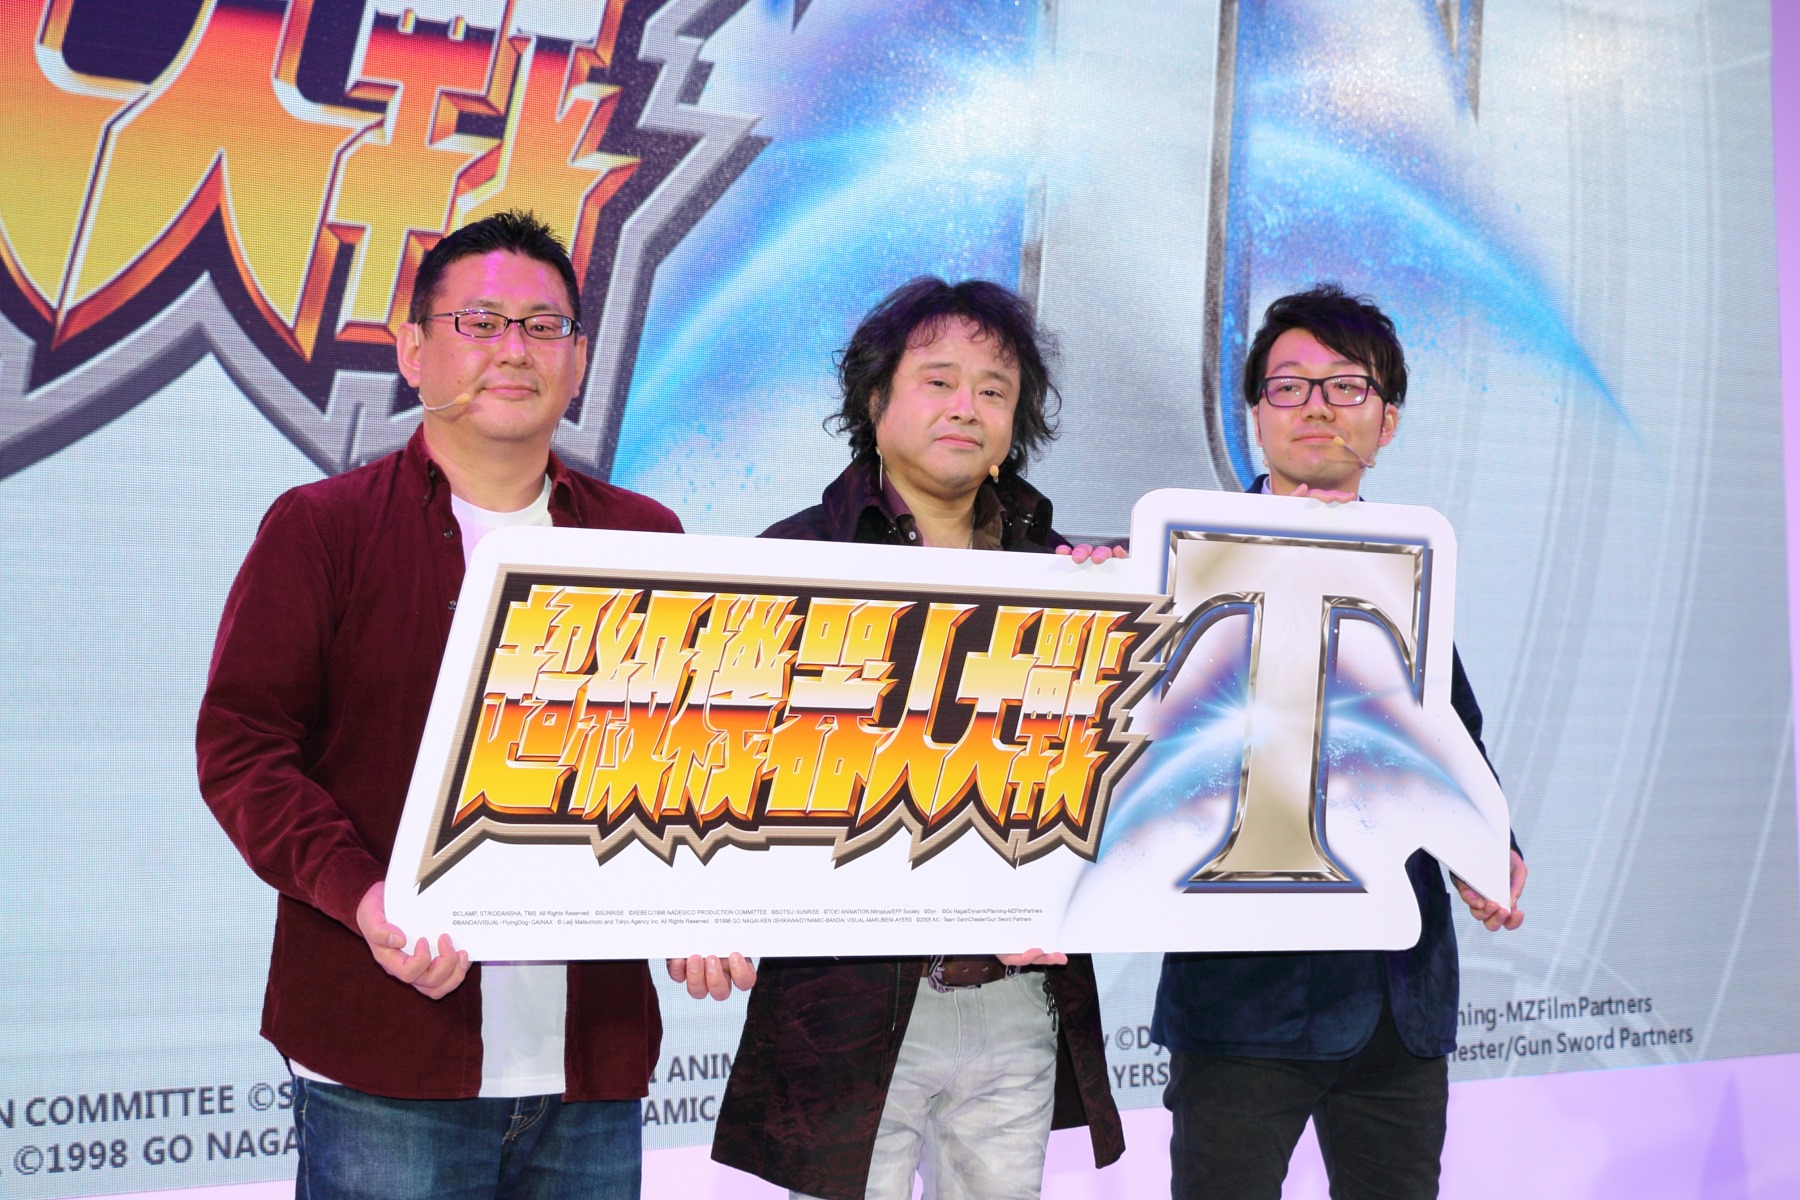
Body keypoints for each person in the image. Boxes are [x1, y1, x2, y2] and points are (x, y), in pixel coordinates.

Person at [195, 209, 745, 1200]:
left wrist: (700, 901)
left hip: (590, 1064)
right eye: (480, 323)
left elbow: (687, 760)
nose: (514, 350)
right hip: (385, 1056)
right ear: (413, 351)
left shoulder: (643, 539)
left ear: (579, 361)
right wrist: (365, 897)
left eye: (543, 327)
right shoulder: (322, 529)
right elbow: (245, 752)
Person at [708, 278, 1126, 1200]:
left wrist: (1117, 634)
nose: (966, 406)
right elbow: (721, 773)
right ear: (875, 399)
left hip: (1016, 1000)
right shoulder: (788, 561)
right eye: (938, 380)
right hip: (844, 1001)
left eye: (994, 389)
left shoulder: (1067, 575)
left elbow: (1113, 784)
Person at [1152, 283, 1528, 1200]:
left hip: (1399, 1000)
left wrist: (1493, 851)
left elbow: (1452, 744)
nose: (1316, 407)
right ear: (1254, 416)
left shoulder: (1414, 564)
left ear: (1386, 420)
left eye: (1346, 386)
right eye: (1288, 386)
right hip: (1242, 1001)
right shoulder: (1182, 561)